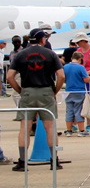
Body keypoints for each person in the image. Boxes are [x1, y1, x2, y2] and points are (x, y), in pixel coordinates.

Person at [6, 29, 65, 171]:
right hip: (46, 91)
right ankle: (54, 160)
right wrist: (54, 91)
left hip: (27, 91)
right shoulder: (50, 54)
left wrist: (20, 90)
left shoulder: (20, 54)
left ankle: (22, 161)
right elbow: (61, 76)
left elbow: (9, 76)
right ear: (42, 40)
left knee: (24, 128)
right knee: (50, 127)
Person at [62, 51, 89, 136]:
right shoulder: (81, 68)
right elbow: (86, 80)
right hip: (79, 91)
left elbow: (63, 78)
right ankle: (81, 130)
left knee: (69, 111)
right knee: (79, 111)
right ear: (80, 59)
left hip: (68, 91)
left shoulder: (65, 67)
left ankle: (69, 130)